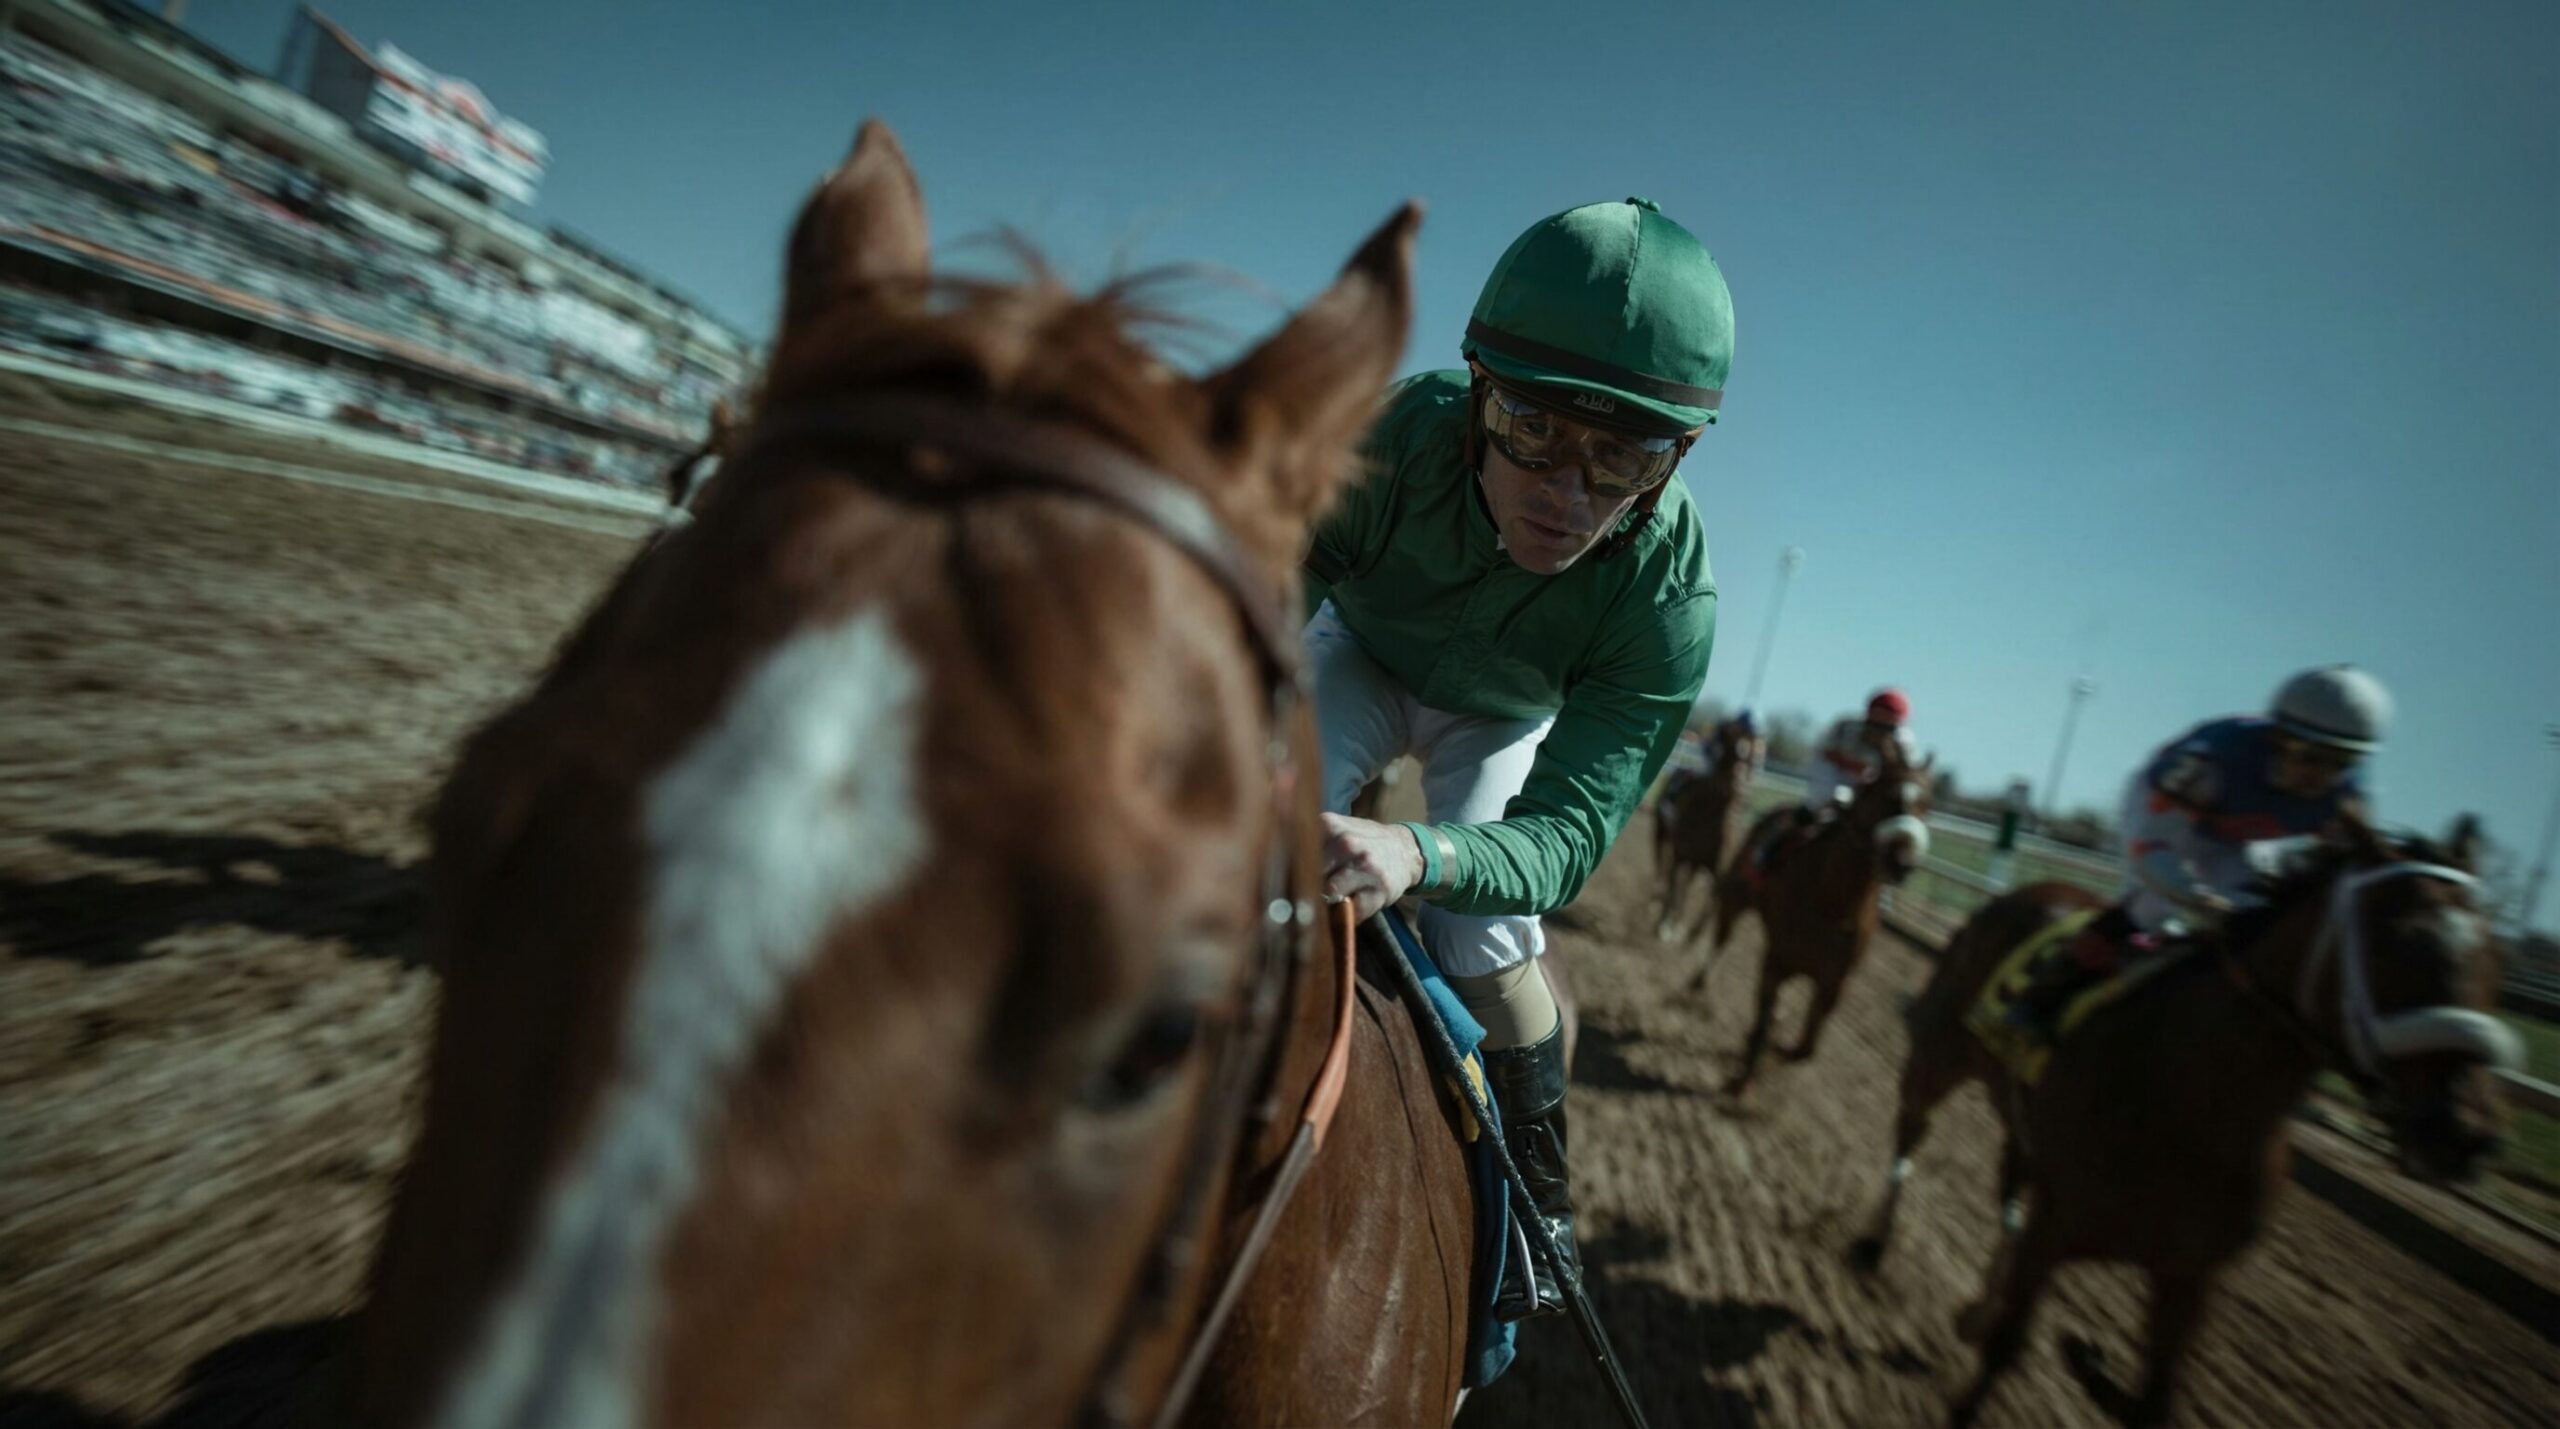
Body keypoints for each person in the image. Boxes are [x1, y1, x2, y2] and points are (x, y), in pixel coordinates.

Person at [1306, 196, 1728, 1317]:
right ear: (1476, 391)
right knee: (1257, 814)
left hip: (1501, 716)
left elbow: (1567, 836)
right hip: (1359, 650)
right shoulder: (1388, 437)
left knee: (1483, 931)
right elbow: (1251, 623)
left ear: (1677, 457)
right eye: (1532, 429)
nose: (1566, 495)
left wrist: (1417, 851)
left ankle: (1542, 1204)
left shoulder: (1671, 599)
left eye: (1623, 457)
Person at [2006, 665, 2388, 1033]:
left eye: (2340, 761)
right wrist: (2201, 900)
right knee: (2155, 905)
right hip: (2167, 816)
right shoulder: (2212, 760)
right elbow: (2151, 850)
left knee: (2256, 911)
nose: (2318, 775)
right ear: (2276, 737)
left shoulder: (2349, 795)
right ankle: (2046, 992)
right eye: (2306, 753)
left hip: (2229, 836)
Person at [1738, 688, 1916, 876]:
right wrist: (1858, 769)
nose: (1883, 726)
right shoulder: (1848, 727)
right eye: (1880, 717)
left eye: (1890, 721)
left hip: (1868, 780)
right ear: (1870, 713)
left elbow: (1905, 775)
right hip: (1833, 769)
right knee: (1828, 799)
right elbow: (1830, 754)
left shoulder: (1905, 742)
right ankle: (1767, 852)